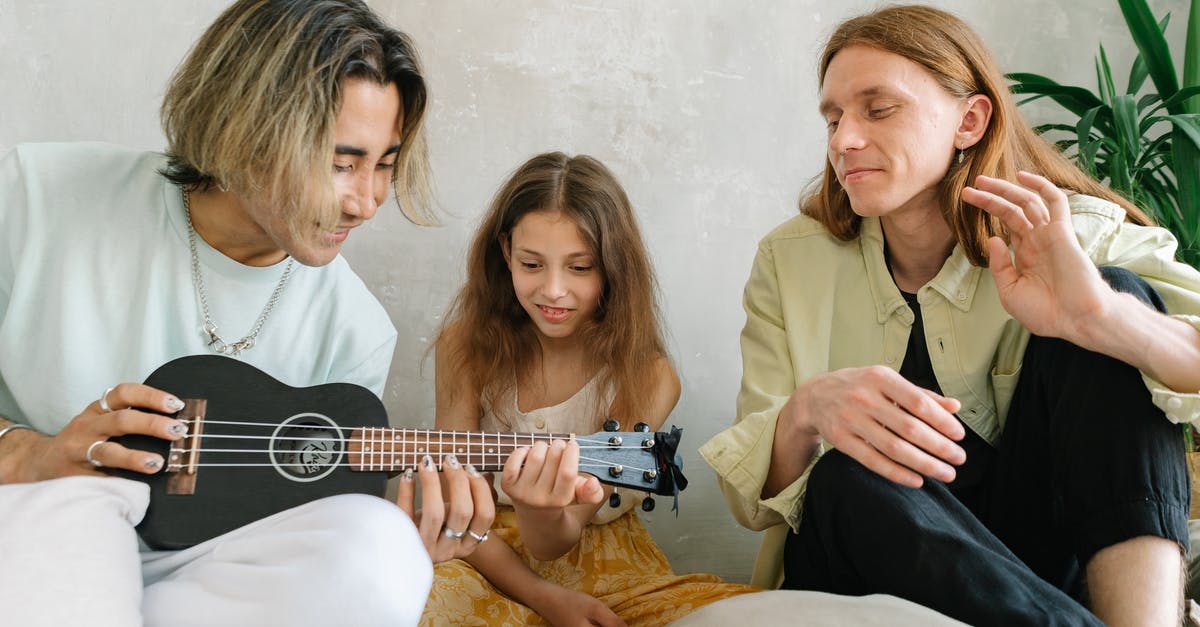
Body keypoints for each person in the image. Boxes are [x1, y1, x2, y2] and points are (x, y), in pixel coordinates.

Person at [699, 5, 1200, 627]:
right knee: (851, 469)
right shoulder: (789, 260)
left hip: (1045, 560)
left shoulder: (1069, 233)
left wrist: (1100, 316)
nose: (842, 140)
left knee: (1115, 300)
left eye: (877, 109)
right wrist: (808, 410)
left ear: (969, 119)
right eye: (832, 117)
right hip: (867, 550)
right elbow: (750, 502)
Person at [0, 1, 493, 625]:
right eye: (341, 164)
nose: (366, 203)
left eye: (384, 166)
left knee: (383, 547)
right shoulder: (34, 197)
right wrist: (26, 454)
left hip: (202, 572)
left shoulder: (356, 330)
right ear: (247, 129)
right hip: (38, 522)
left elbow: (299, 529)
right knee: (82, 533)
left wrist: (420, 534)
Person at [421, 152, 757, 626]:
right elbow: (459, 509)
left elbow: (561, 534)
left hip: (615, 572)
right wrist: (544, 596)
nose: (554, 290)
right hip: (482, 557)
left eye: (580, 268)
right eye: (532, 264)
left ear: (613, 268)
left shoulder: (649, 375)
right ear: (504, 252)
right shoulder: (463, 346)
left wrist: (542, 509)